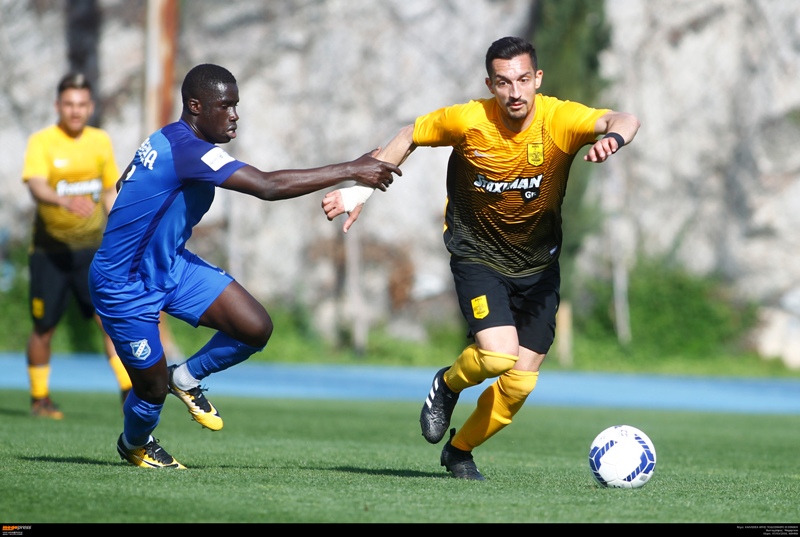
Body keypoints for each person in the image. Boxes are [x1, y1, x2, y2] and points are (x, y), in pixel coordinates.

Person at [322, 36, 640, 480]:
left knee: (519, 384)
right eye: (504, 82)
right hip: (478, 256)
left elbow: (624, 118)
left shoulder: (560, 119)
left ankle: (459, 451)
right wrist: (361, 191)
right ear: (490, 84)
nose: (515, 92)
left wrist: (614, 139)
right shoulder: (469, 120)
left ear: (538, 79)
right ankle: (447, 383)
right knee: (497, 356)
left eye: (523, 80)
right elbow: (409, 135)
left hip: (539, 268)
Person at [89, 63, 400, 469]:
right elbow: (267, 186)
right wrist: (351, 169)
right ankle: (135, 443)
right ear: (196, 106)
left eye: (236, 105)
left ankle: (186, 378)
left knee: (254, 326)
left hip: (170, 266)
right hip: (123, 283)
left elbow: (122, 184)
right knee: (150, 389)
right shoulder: (189, 150)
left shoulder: (169, 138)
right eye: (225, 106)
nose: (234, 115)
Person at [22, 72, 133, 419]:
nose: (75, 111)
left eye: (81, 104)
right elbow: (36, 185)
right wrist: (63, 201)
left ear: (91, 107)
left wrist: (124, 229)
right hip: (50, 252)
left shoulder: (99, 141)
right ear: (58, 106)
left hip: (91, 251)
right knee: (44, 327)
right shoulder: (43, 142)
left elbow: (110, 191)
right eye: (69, 104)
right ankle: (40, 398)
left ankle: (129, 391)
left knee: (109, 319)